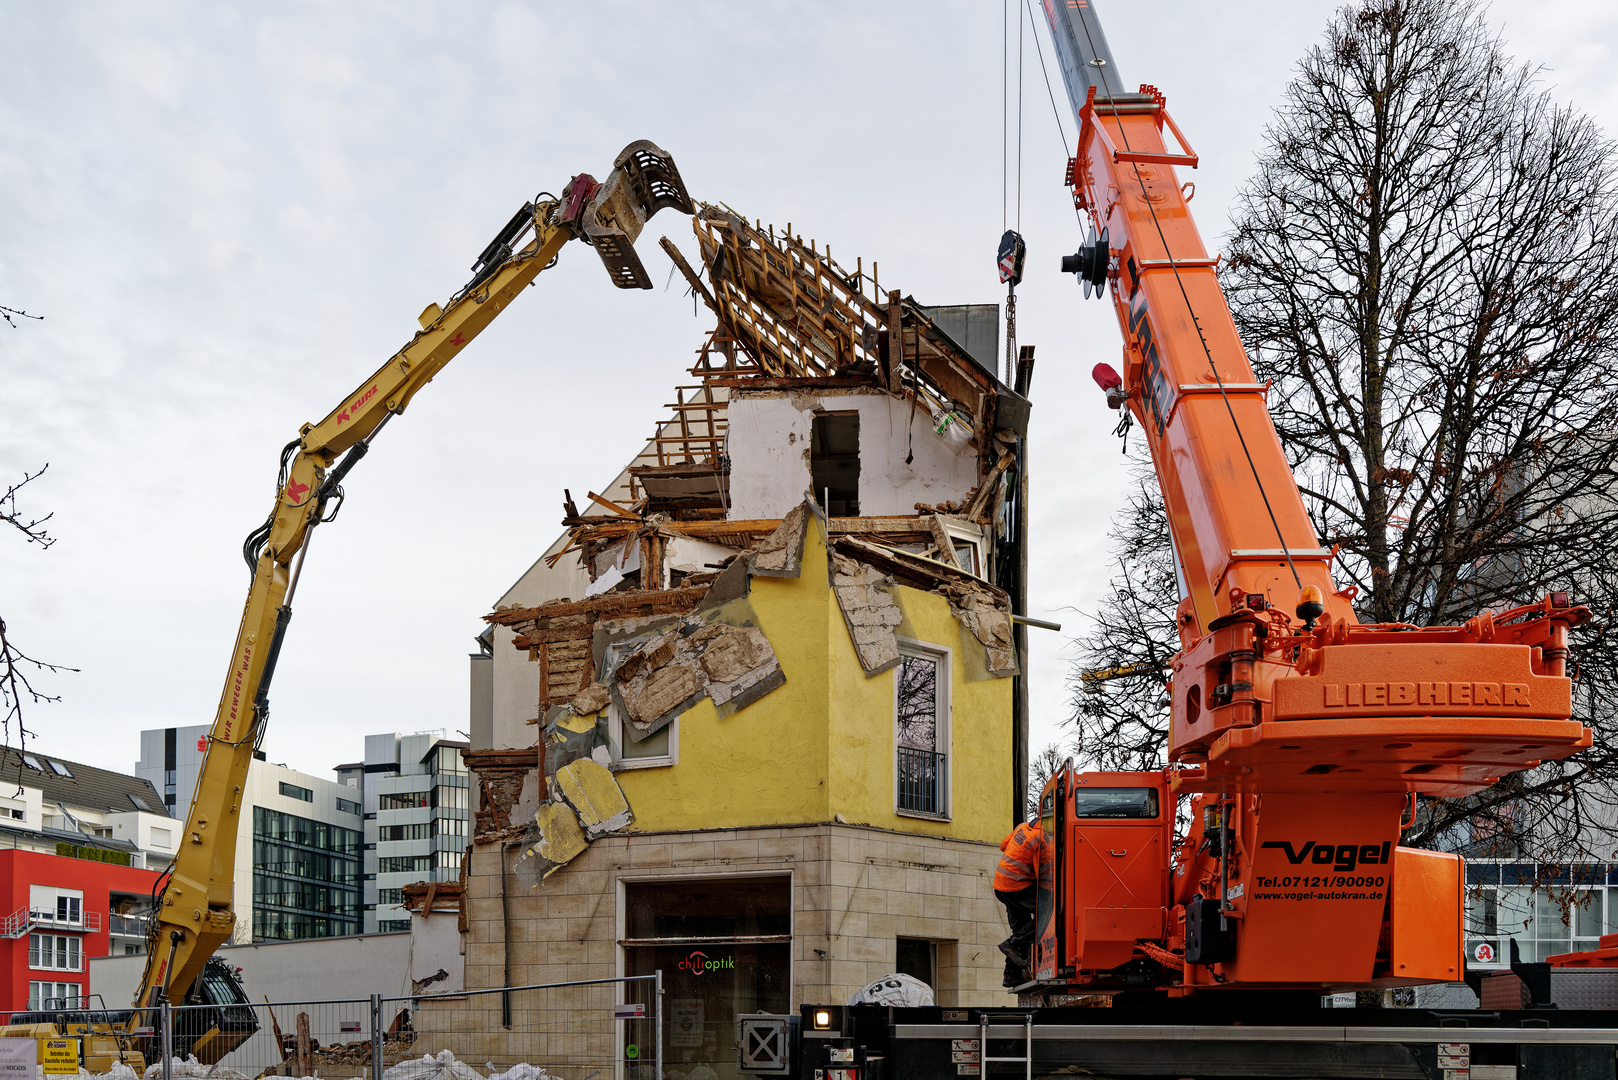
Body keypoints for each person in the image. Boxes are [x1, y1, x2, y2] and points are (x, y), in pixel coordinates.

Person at [994, 819, 1042, 987]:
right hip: (1017, 888)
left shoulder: (1022, 827)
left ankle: (1011, 975)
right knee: (1048, 915)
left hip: (1001, 886)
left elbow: (1003, 846)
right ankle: (1011, 944)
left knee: (1021, 928)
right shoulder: (1042, 839)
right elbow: (1041, 873)